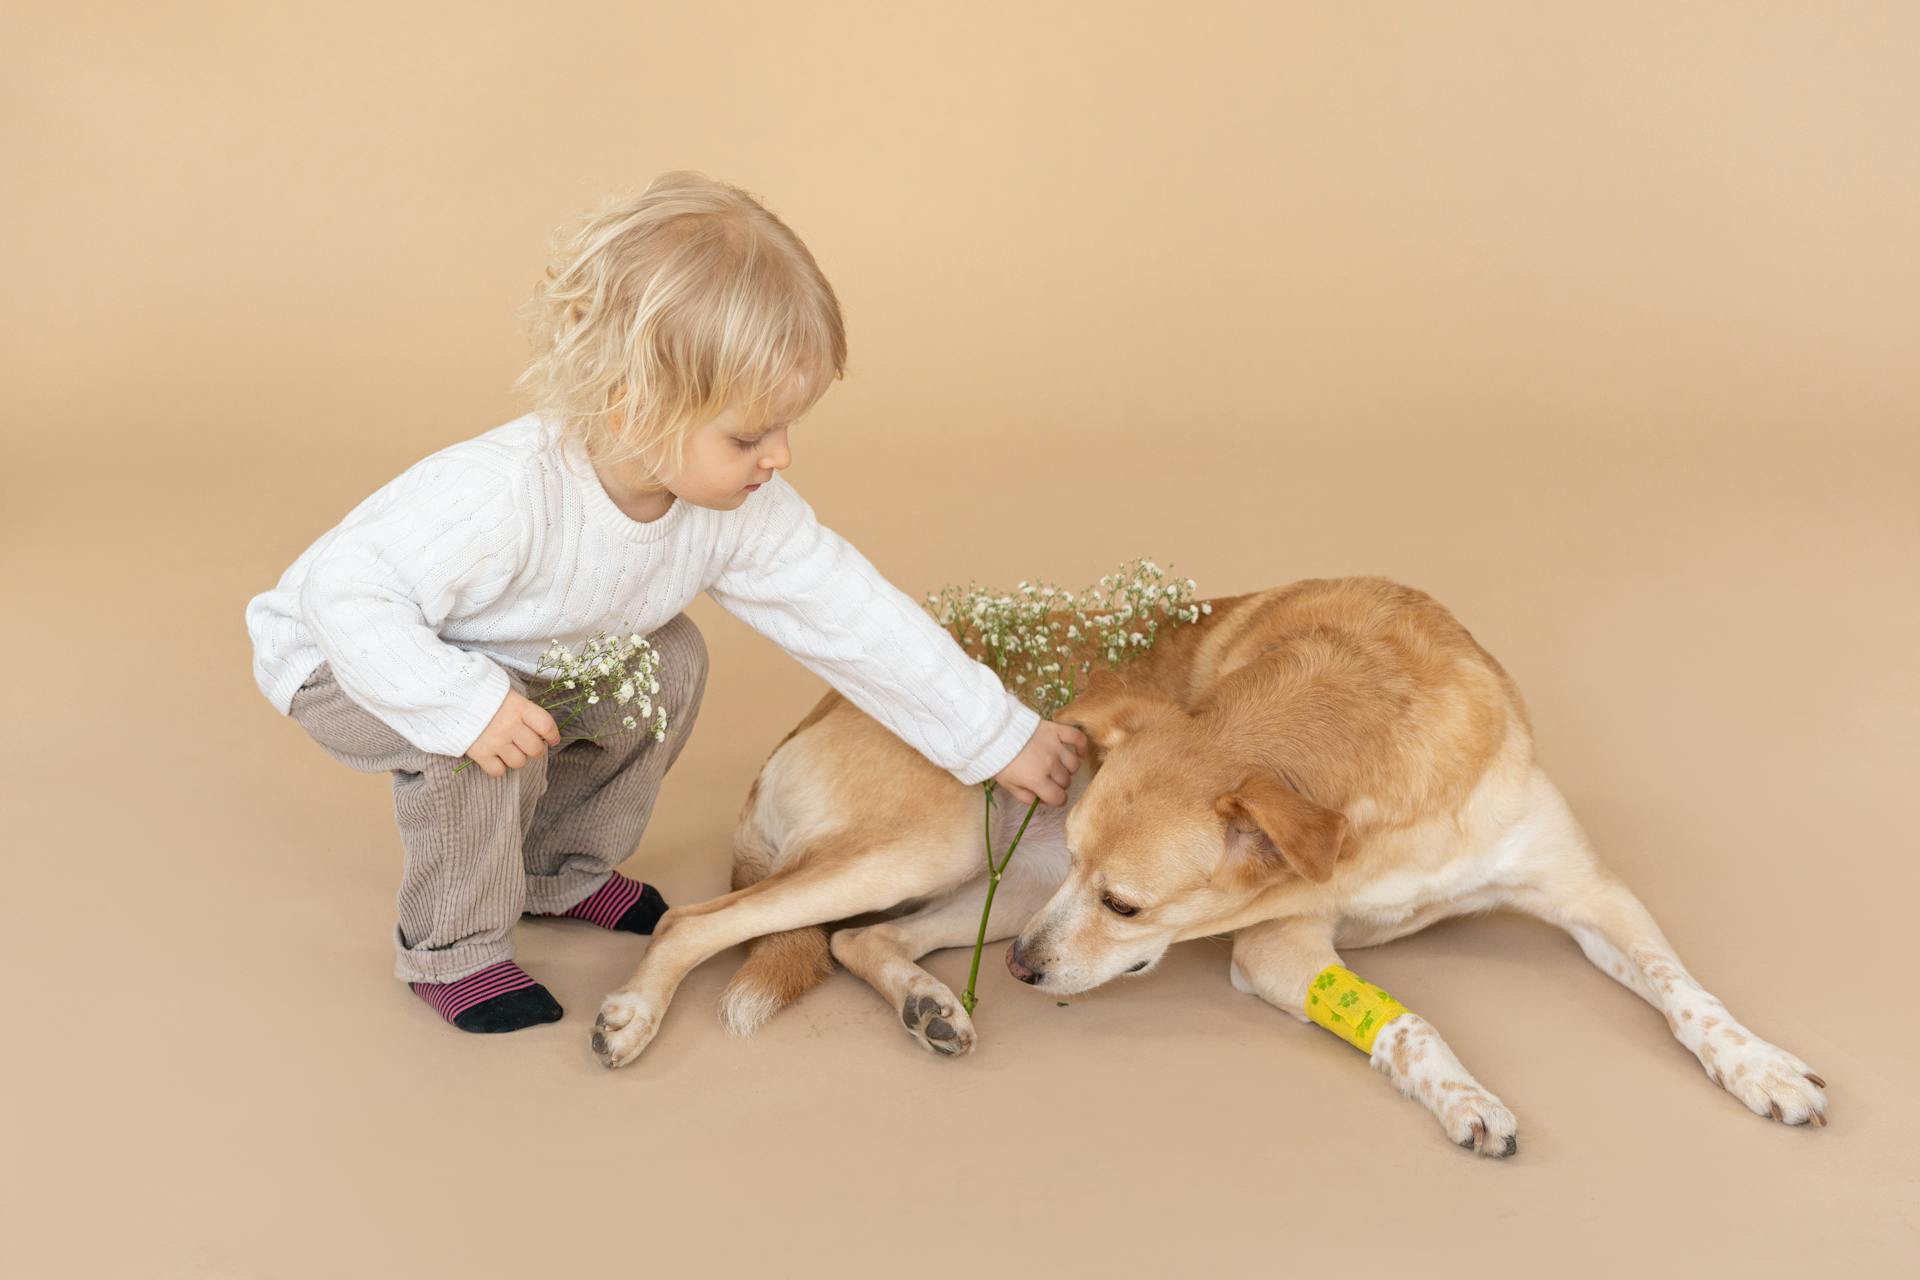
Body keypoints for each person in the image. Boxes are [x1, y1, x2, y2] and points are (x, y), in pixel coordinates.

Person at [244, 171, 1088, 1033]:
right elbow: (347, 591)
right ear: (633, 407)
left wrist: (994, 735)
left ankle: (558, 869)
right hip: (351, 653)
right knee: (484, 753)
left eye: (787, 428)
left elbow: (850, 615)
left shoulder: (735, 510)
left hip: (519, 658)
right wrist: (460, 703)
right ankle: (451, 950)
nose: (781, 456)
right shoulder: (502, 496)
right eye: (750, 435)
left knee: (670, 657)